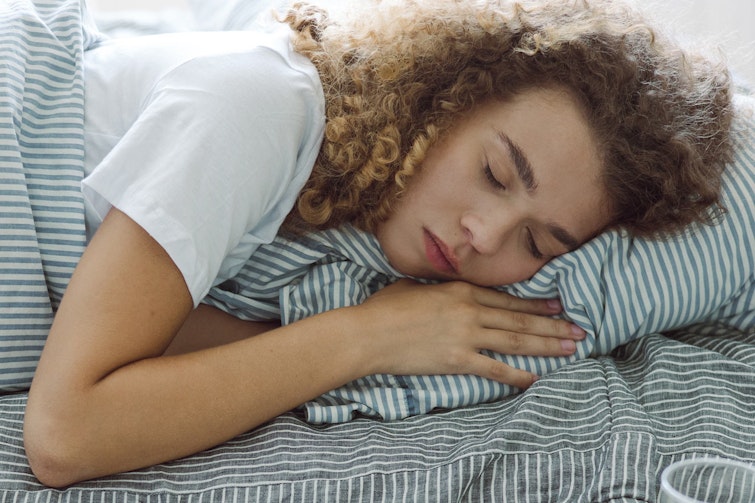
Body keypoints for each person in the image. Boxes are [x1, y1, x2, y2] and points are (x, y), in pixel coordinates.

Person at [21, 0, 733, 487]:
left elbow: (140, 337)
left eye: (537, 241)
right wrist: (366, 338)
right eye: (492, 172)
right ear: (446, 92)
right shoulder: (258, 108)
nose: (482, 235)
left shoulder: (342, 219)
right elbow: (64, 433)